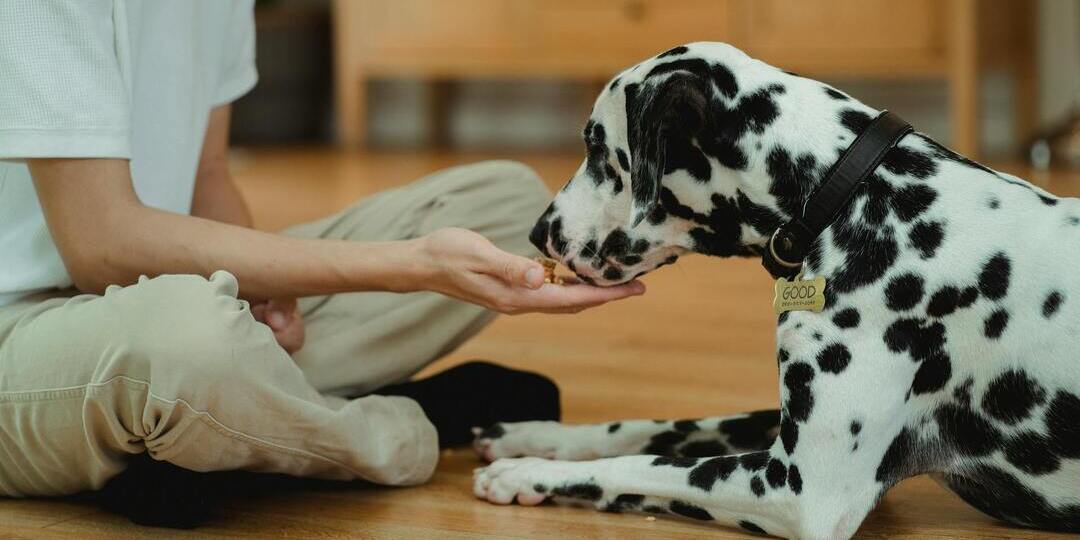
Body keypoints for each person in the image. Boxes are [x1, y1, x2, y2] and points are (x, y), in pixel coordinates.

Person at [0, 0, 644, 519]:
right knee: (189, 341)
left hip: (148, 300)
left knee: (503, 203)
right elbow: (101, 244)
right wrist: (412, 264)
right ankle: (391, 430)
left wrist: (262, 296)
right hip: (24, 339)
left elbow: (209, 175)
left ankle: (219, 435)